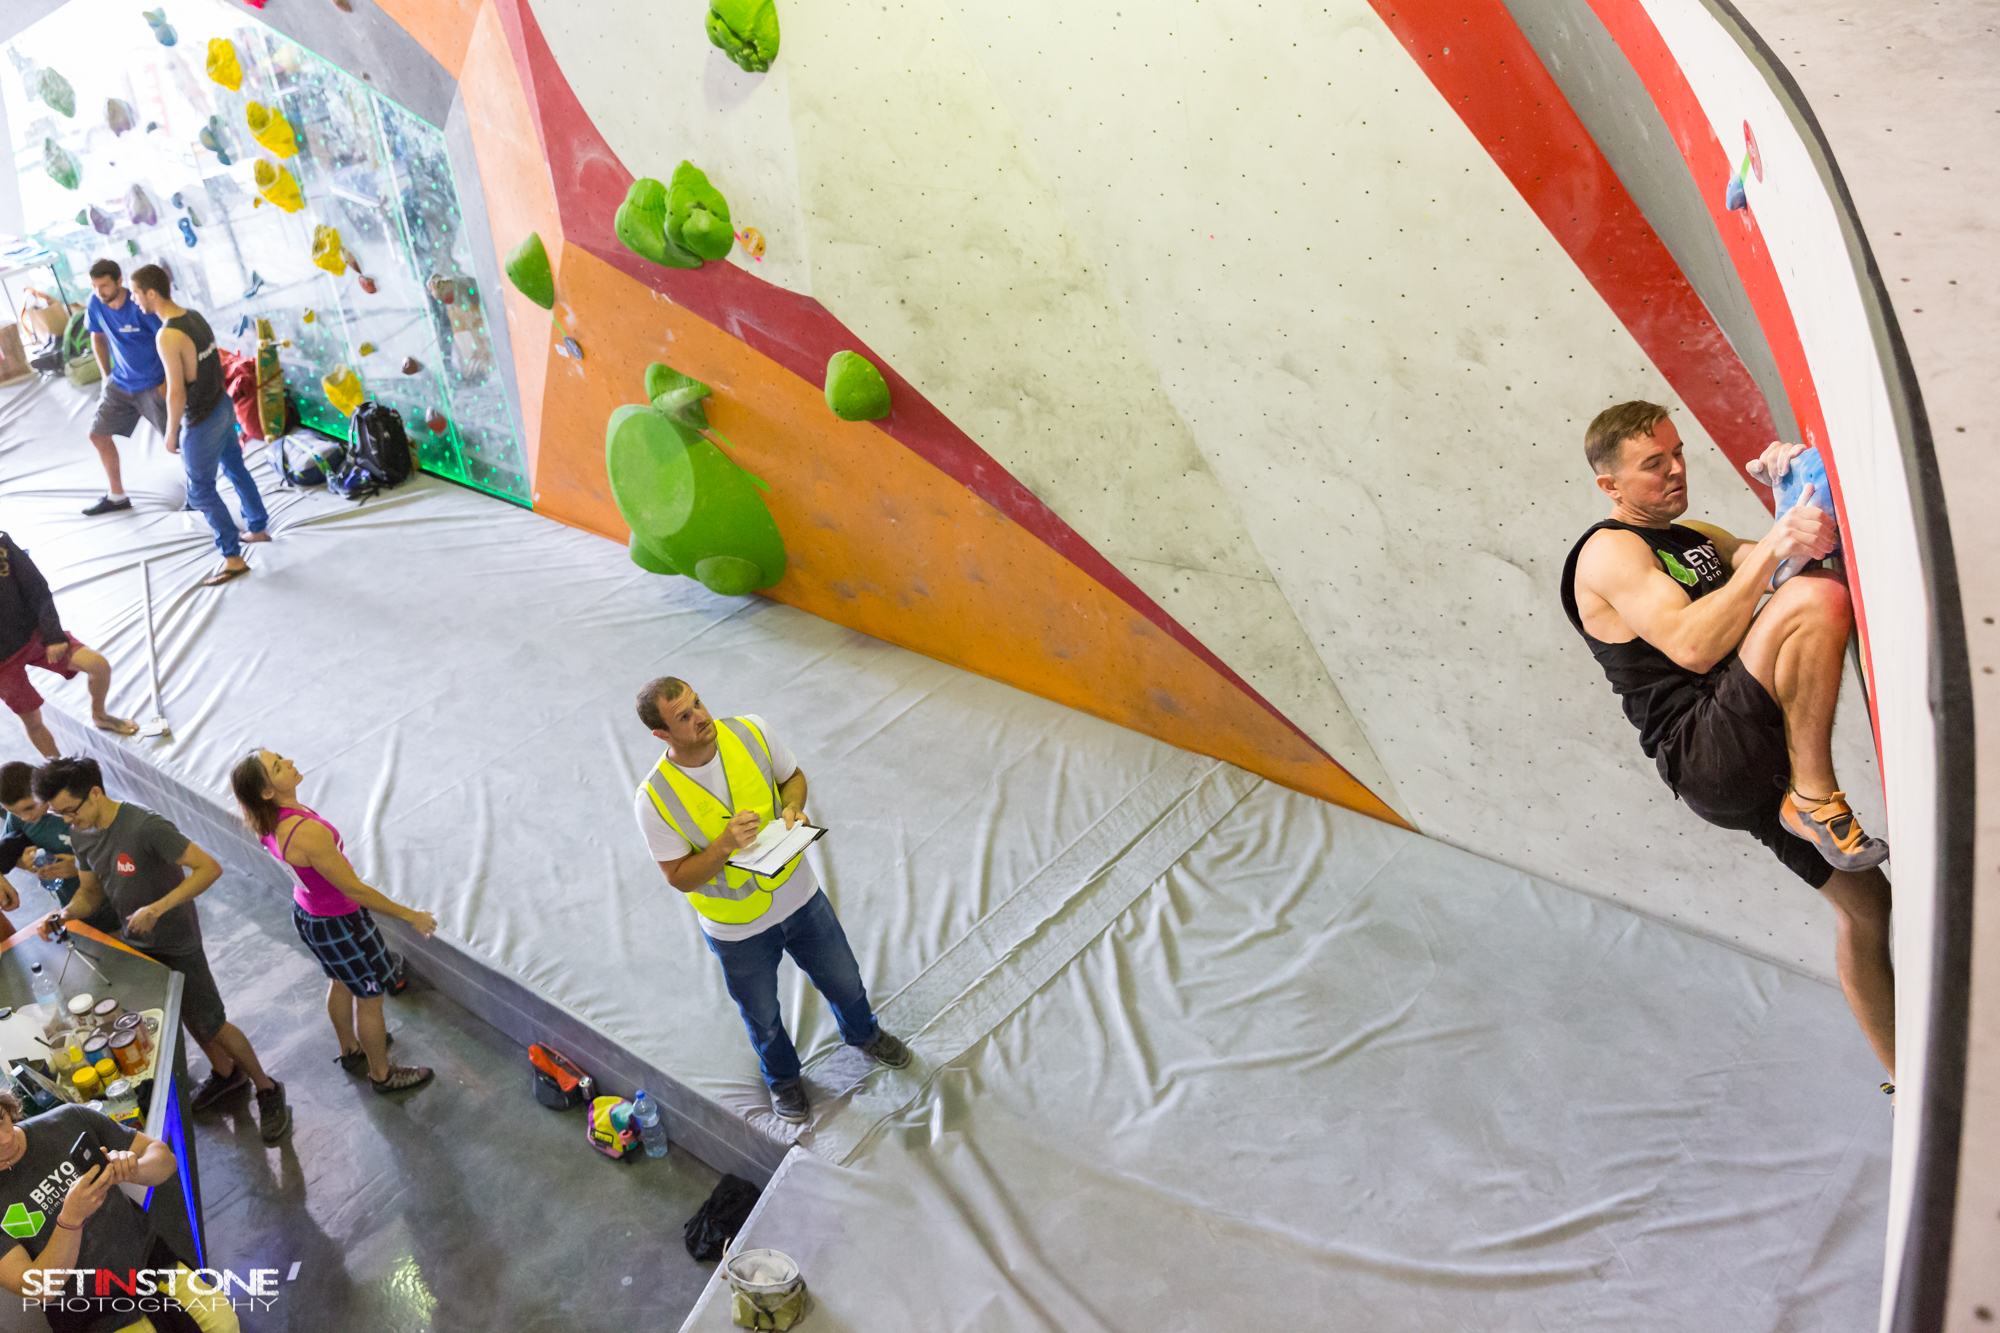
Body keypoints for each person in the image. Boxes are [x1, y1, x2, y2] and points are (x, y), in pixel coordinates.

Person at [1561, 402, 1895, 1081]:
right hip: (1706, 750)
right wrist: (1775, 545)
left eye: (1678, 452)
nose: (1676, 470)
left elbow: (1792, 562)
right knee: (1819, 600)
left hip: (1751, 746)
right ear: (1611, 486)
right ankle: (1812, 794)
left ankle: (1903, 1080)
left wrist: (1796, 489)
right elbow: (1692, 644)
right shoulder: (1609, 551)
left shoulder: (1696, 538)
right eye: (1653, 464)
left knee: (1868, 910)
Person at [632, 678, 911, 1123]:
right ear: (661, 734)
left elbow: (792, 778)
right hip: (737, 930)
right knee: (762, 1016)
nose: (701, 716)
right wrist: (724, 845)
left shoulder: (751, 732)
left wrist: (792, 807)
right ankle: (783, 1079)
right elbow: (679, 877)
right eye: (684, 716)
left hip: (802, 899)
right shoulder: (654, 800)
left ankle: (865, 1034)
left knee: (846, 981)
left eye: (698, 702)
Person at [32, 757, 290, 1143]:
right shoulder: (83, 834)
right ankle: (226, 1074)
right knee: (183, 1013)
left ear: (96, 793)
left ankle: (267, 1088)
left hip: (177, 939)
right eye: (60, 814)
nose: (68, 820)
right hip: (138, 943)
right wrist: (63, 914)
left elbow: (208, 868)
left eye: (71, 810)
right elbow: (89, 892)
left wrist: (157, 908)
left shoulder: (145, 825)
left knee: (212, 1021)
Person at [229, 748, 437, 1094]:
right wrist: (410, 915)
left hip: (309, 913)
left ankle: (350, 1048)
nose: (290, 762)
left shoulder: (266, 820)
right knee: (370, 998)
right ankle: (381, 1074)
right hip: (338, 922)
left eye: (280, 757)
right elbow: (354, 890)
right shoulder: (305, 833)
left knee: (340, 981)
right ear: (266, 791)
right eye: (278, 767)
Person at [0, 1089, 238, 1332]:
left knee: (224, 1324)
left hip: (152, 1268)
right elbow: (39, 1289)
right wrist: (70, 1220)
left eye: (0, 1118)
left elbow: (165, 1159)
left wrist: (133, 1169)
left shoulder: (68, 1119)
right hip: (94, 1314)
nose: (5, 1139)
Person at [128, 266, 269, 588]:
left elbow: (177, 391)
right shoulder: (194, 316)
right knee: (235, 468)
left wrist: (170, 432)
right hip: (223, 405)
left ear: (151, 293)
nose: (134, 300)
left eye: (136, 293)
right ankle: (258, 527)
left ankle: (233, 558)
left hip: (202, 419)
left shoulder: (167, 335)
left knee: (200, 491)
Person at [1, 532, 136, 757]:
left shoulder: (3, 543)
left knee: (98, 665)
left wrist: (53, 635)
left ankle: (100, 715)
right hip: (3, 664)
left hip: (34, 635)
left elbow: (37, 588)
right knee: (32, 720)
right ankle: (59, 767)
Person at [79, 259, 168, 518]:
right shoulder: (96, 303)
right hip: (120, 382)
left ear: (119, 280)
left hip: (153, 383)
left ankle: (200, 492)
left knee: (178, 441)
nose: (100, 292)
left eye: (105, 286)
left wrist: (167, 383)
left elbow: (167, 340)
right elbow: (97, 336)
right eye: (95, 286)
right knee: (97, 435)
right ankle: (117, 497)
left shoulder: (141, 306)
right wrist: (106, 376)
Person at [0, 761, 122, 935]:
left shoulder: (80, 809)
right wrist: (24, 861)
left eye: (29, 808)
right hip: (75, 906)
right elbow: (9, 852)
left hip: (116, 904)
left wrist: (80, 867)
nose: (25, 817)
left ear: (42, 790)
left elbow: (123, 857)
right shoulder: (19, 819)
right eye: (15, 812)